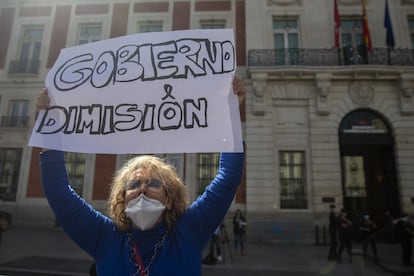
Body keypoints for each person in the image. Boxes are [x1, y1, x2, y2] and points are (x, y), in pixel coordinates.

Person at [35, 76, 245, 276]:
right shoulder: (104, 237)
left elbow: (228, 178)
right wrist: (50, 122)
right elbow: (58, 191)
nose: (142, 189)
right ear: (123, 198)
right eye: (134, 184)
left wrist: (232, 113)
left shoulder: (189, 231)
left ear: (169, 200)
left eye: (153, 184)